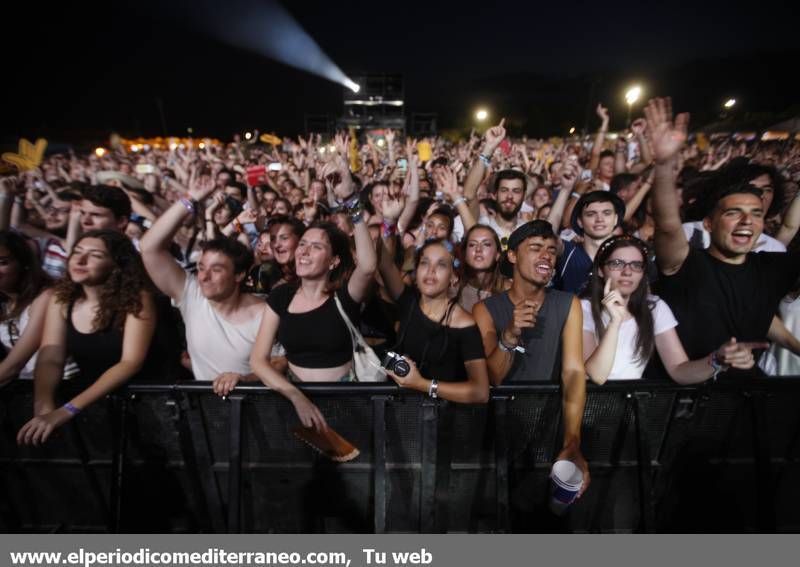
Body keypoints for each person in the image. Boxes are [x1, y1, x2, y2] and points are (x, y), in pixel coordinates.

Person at [646, 97, 800, 369]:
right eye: (733, 213)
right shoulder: (688, 265)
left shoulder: (771, 267)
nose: (746, 221)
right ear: (708, 223)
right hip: (690, 398)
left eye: (756, 214)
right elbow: (667, 223)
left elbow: (759, 313)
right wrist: (664, 164)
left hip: (749, 398)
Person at [249, 154, 377, 430]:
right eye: (303, 244)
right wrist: (295, 396)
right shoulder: (281, 296)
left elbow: (367, 266)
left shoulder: (344, 295)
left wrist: (351, 199)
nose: (304, 252)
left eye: (316, 247)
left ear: (334, 261)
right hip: (294, 404)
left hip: (347, 405)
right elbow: (258, 361)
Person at [472, 220, 589, 492]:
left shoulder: (568, 303)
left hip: (549, 432)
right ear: (512, 256)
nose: (546, 255)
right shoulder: (485, 309)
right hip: (497, 435)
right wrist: (509, 336)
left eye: (551, 250)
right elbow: (491, 376)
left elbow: (573, 371)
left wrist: (572, 440)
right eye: (536, 247)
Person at [17, 230, 160, 445]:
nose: (81, 260)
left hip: (150, 407)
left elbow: (130, 363)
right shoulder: (62, 299)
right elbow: (50, 357)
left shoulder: (138, 298)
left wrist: (68, 410)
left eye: (95, 255)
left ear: (116, 265)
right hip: (96, 406)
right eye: (77, 252)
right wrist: (44, 407)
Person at [139, 174, 267, 394]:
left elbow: (281, 362)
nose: (204, 277)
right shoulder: (192, 296)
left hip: (259, 411)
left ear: (239, 275)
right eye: (201, 268)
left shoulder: (264, 312)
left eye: (216, 270)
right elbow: (149, 247)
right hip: (208, 414)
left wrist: (245, 379)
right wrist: (190, 199)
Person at [581, 235, 761, 384]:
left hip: (627, 407)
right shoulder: (583, 308)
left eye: (636, 265)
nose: (627, 272)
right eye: (618, 263)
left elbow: (679, 370)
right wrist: (615, 323)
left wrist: (717, 360)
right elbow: (596, 375)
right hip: (589, 405)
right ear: (600, 271)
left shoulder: (654, 307)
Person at [376, 235, 489, 403]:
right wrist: (388, 223)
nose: (431, 271)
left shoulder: (465, 325)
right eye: (424, 263)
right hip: (403, 417)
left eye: (441, 265)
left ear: (454, 277)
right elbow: (385, 264)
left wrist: (422, 384)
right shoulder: (408, 301)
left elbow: (480, 392)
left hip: (443, 423)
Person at [0, 231, 53, 384]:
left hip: (60, 387)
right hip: (22, 388)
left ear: (24, 264)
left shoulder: (45, 297)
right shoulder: (5, 302)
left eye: (3, 262)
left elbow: (14, 365)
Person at [551, 191, 625, 294]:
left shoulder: (628, 258)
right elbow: (546, 234)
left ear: (616, 219)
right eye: (591, 214)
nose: (600, 219)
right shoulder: (567, 251)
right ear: (580, 221)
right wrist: (566, 188)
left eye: (607, 213)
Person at [459, 224, 507, 313]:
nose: (478, 249)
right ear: (465, 254)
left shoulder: (511, 291)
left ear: (497, 255)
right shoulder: (453, 290)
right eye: (472, 244)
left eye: (486, 244)